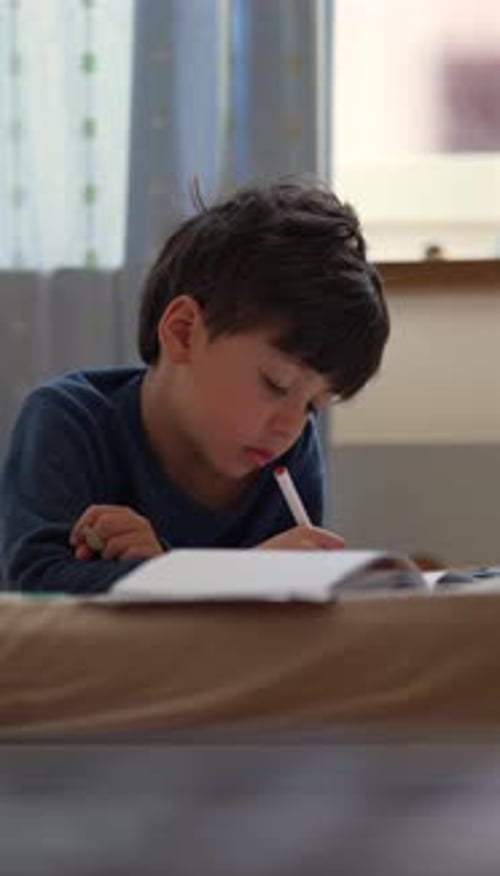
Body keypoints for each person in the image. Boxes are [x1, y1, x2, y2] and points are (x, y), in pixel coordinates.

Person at [0, 179, 390, 594]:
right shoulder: (69, 421)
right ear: (183, 332)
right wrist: (221, 577)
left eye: (313, 405)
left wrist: (168, 571)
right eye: (276, 384)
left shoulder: (290, 451)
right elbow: (35, 592)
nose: (290, 426)